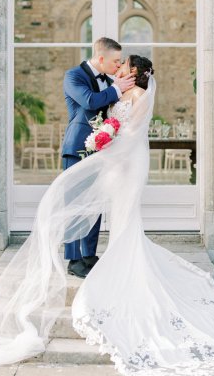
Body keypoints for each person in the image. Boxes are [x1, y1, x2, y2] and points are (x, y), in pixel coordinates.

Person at [0, 54, 214, 374]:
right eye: (118, 63)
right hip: (114, 160)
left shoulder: (138, 95)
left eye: (125, 65)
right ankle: (108, 258)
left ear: (136, 72)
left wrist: (105, 139)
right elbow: (110, 119)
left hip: (129, 162)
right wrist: (103, 136)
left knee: (125, 216)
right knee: (110, 214)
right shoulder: (119, 92)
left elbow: (132, 133)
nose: (120, 69)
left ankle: (124, 267)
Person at [61, 37, 135, 279]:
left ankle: (89, 255)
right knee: (74, 204)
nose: (118, 65)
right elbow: (90, 101)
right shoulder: (74, 76)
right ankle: (74, 260)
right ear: (101, 58)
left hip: (102, 149)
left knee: (95, 203)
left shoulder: (111, 80)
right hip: (77, 148)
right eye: (115, 61)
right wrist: (117, 89)